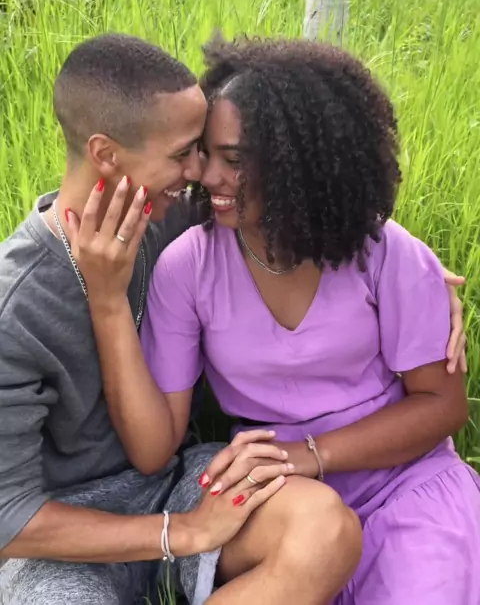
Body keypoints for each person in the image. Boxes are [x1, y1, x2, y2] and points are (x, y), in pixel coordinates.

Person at [69, 36, 473, 605]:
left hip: (402, 481)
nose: (207, 175)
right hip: (275, 492)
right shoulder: (188, 266)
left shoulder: (383, 253)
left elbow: (443, 405)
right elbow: (156, 447)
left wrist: (314, 452)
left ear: (297, 165)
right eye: (204, 153)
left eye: (234, 161)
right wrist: (107, 300)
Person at [0, 33, 359, 605]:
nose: (200, 171)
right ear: (106, 154)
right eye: (182, 154)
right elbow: (10, 519)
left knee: (326, 530)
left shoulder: (170, 217)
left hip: (182, 480)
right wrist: (182, 533)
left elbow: (296, 208)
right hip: (68, 540)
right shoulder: (16, 303)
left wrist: (417, 274)